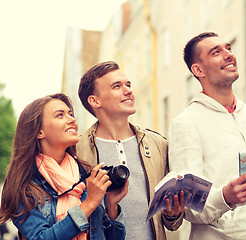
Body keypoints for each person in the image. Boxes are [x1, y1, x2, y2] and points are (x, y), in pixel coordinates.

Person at [168, 31, 246, 239]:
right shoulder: (186, 123)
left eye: (228, 48)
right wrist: (225, 197)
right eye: (216, 52)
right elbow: (189, 205)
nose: (229, 54)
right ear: (198, 69)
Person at [0, 93, 127, 240]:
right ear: (39, 131)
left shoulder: (88, 175)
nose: (72, 120)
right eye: (60, 115)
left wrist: (112, 205)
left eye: (70, 114)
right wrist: (89, 204)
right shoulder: (24, 187)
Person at [77, 61, 184, 240]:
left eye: (128, 85)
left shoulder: (158, 144)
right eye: (117, 86)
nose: (128, 91)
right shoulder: (77, 150)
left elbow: (172, 223)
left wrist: (173, 214)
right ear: (95, 101)